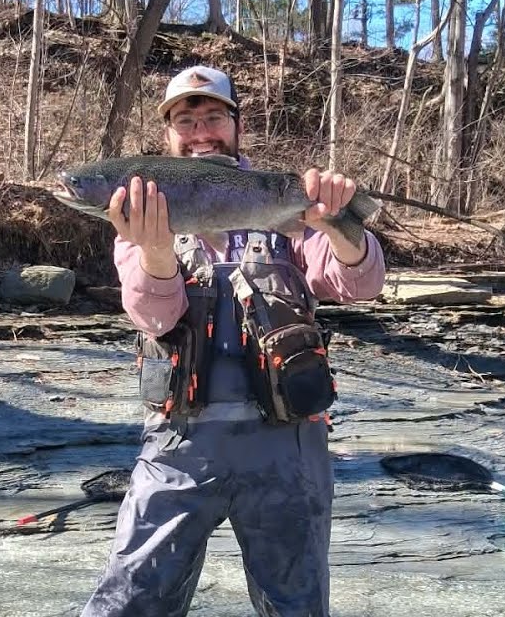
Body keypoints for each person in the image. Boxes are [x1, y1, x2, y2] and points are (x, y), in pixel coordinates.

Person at [81, 65, 385, 617]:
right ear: (167, 135)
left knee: (295, 608)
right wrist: (154, 252)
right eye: (186, 120)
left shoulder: (279, 195)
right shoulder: (142, 212)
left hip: (287, 447)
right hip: (179, 444)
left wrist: (343, 225)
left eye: (214, 116)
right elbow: (154, 318)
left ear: (236, 125)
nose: (201, 131)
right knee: (129, 603)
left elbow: (357, 283)